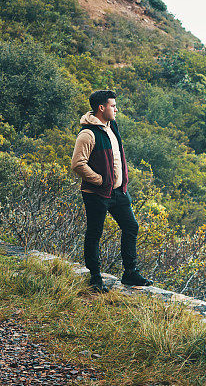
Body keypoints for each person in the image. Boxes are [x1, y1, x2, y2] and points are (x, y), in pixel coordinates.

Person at [70, 90, 152, 293]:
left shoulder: (112, 126)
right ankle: (95, 278)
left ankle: (130, 273)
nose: (116, 109)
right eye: (113, 105)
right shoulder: (87, 134)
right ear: (101, 108)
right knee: (94, 233)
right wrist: (100, 180)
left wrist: (120, 180)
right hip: (96, 193)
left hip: (118, 192)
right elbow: (77, 164)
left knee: (131, 226)